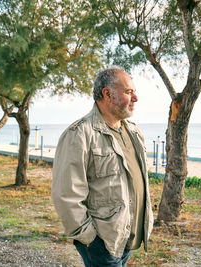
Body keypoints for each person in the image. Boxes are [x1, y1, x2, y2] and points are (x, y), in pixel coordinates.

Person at [51, 66, 153, 266]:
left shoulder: (133, 133)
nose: (136, 98)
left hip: (127, 241)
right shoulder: (79, 134)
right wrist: (90, 240)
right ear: (107, 94)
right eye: (129, 92)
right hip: (103, 244)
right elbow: (66, 195)